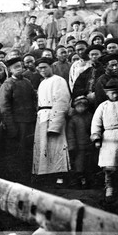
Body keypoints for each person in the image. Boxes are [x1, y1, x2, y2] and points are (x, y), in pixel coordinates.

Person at [31, 57, 71, 187]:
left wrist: (55, 124)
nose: (42, 70)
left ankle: (60, 177)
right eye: (40, 68)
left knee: (56, 147)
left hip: (52, 116)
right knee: (43, 148)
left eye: (44, 67)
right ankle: (45, 176)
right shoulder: (42, 83)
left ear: (51, 67)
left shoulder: (59, 80)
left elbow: (62, 102)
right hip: (42, 117)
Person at [90, 79, 118, 202]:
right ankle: (109, 188)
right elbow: (96, 123)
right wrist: (97, 138)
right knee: (109, 165)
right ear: (106, 93)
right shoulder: (103, 106)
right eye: (111, 93)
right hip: (108, 137)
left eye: (116, 92)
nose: (115, 95)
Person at [0, 57, 37, 184]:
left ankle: (28, 178)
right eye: (16, 67)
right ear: (10, 70)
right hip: (17, 124)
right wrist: (11, 128)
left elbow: (33, 99)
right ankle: (17, 180)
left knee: (28, 151)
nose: (19, 69)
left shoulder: (27, 82)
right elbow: (4, 108)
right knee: (17, 152)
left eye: (20, 66)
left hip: (29, 122)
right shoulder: (8, 84)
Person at [66, 96, 95, 189]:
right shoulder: (73, 119)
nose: (81, 108)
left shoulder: (90, 117)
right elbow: (70, 134)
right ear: (75, 107)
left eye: (83, 106)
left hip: (89, 145)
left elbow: (93, 129)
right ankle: (77, 182)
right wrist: (72, 146)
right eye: (78, 106)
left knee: (89, 164)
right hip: (78, 147)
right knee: (79, 164)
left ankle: (88, 182)